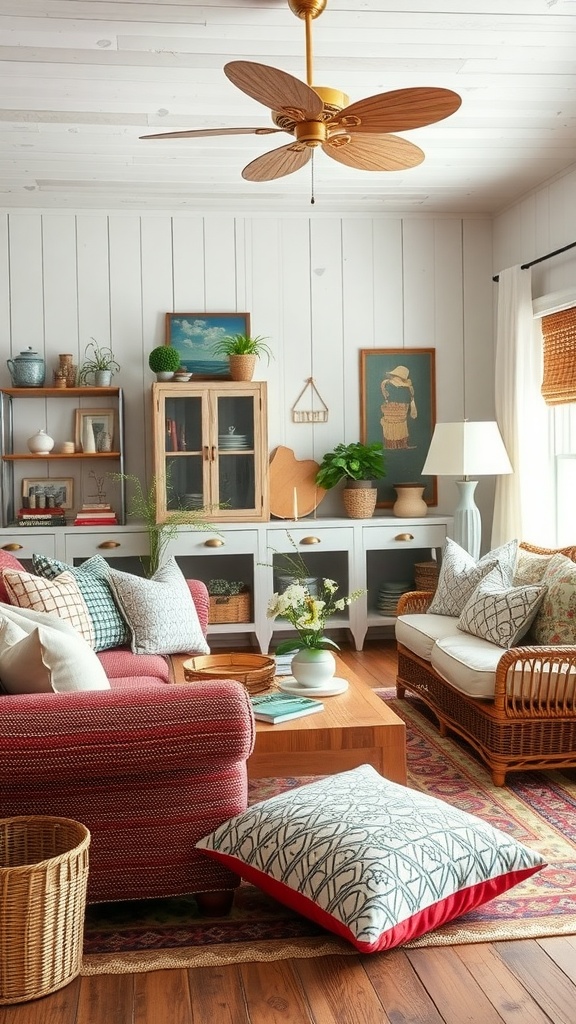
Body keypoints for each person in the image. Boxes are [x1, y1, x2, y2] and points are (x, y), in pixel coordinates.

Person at [380, 365, 417, 449]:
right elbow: (385, 396)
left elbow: (410, 398)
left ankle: (401, 444)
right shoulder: (386, 383)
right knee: (391, 426)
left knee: (401, 427)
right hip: (391, 410)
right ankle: (391, 445)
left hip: (402, 411)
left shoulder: (408, 387)